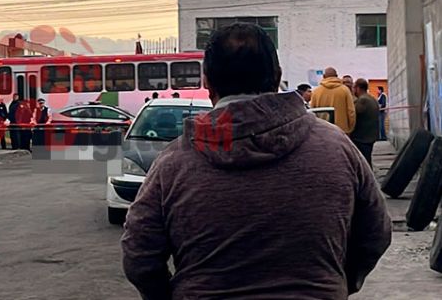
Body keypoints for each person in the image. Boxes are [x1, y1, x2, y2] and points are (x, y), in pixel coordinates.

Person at [121, 23, 391, 299]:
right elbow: (376, 233)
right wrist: (336, 282)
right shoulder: (337, 148)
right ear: (277, 76)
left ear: (207, 82)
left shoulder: (173, 163)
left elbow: (139, 255)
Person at [310, 67, 356, 134]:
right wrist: (349, 129)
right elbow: (351, 112)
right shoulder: (345, 90)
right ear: (337, 76)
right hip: (341, 131)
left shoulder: (316, 92)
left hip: (323, 131)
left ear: (324, 76)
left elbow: (312, 113)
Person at [350, 78, 380, 167]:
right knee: (366, 160)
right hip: (370, 136)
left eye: (353, 88)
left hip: (362, 137)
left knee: (364, 162)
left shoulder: (362, 100)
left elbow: (353, 115)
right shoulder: (372, 99)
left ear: (358, 88)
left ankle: (367, 179)